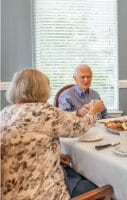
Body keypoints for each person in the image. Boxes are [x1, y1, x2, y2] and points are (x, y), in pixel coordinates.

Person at [1, 68, 103, 199]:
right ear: (41, 89)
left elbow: (23, 146)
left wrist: (55, 155)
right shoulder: (44, 111)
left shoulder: (5, 113)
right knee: (101, 186)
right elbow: (79, 128)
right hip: (44, 192)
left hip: (10, 193)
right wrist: (93, 112)